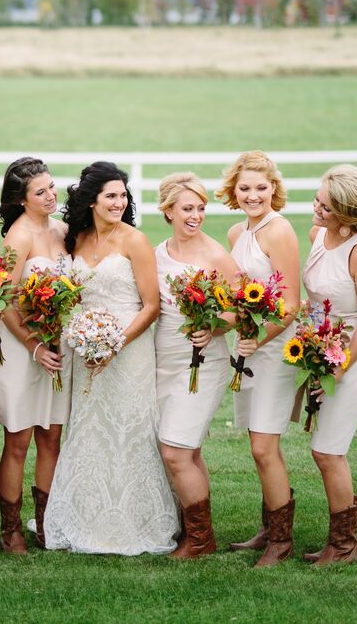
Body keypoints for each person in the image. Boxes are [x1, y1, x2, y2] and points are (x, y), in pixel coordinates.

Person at [44, 161, 178, 555]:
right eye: (111, 196)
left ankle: (136, 520)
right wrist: (80, 340)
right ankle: (84, 516)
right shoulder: (75, 240)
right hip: (82, 352)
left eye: (123, 195)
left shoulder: (134, 241)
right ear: (91, 201)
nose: (119, 202)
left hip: (128, 352)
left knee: (129, 432)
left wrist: (114, 344)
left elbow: (152, 306)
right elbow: (69, 296)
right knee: (88, 432)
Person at [216, 150, 300, 566]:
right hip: (247, 347)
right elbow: (239, 294)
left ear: (274, 190)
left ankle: (281, 542)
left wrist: (258, 339)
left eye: (261, 188)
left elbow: (291, 304)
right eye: (245, 188)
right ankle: (270, 527)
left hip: (274, 349)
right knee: (257, 443)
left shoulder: (279, 231)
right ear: (234, 191)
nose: (253, 195)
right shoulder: (237, 233)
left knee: (265, 446)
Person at [301, 164, 357, 565]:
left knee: (328, 451)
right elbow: (318, 299)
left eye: (326, 206)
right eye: (318, 199)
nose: (317, 208)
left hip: (353, 356)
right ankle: (339, 539)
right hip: (321, 350)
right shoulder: (318, 235)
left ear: (348, 214)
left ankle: (344, 546)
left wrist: (343, 363)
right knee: (322, 449)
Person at [154, 172, 239, 558]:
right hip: (164, 364)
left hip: (203, 364)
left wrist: (213, 327)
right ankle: (194, 532)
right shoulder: (157, 254)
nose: (196, 216)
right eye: (188, 208)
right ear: (168, 210)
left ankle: (200, 541)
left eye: (201, 208)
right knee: (186, 451)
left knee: (175, 451)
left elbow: (242, 311)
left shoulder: (216, 255)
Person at [0, 157, 70, 553]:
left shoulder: (62, 230)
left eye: (52, 187)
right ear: (22, 201)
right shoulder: (17, 238)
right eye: (41, 192)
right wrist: (33, 345)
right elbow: (2, 300)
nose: (51, 195)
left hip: (58, 348)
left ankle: (45, 523)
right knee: (18, 440)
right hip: (24, 349)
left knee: (52, 438)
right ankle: (10, 532)